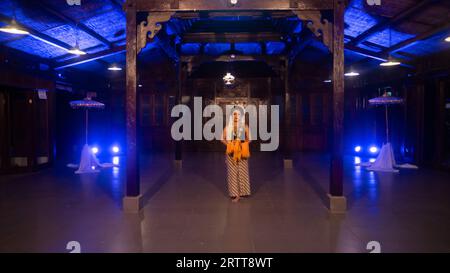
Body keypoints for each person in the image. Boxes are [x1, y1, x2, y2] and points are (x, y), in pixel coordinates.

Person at [221, 108, 251, 203]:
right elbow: (222, 138)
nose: (236, 117)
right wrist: (230, 145)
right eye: (234, 114)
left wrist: (243, 145)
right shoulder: (228, 127)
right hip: (231, 153)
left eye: (237, 114)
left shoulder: (244, 126)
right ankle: (235, 194)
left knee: (242, 172)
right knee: (233, 173)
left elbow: (250, 139)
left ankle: (241, 193)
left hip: (242, 153)